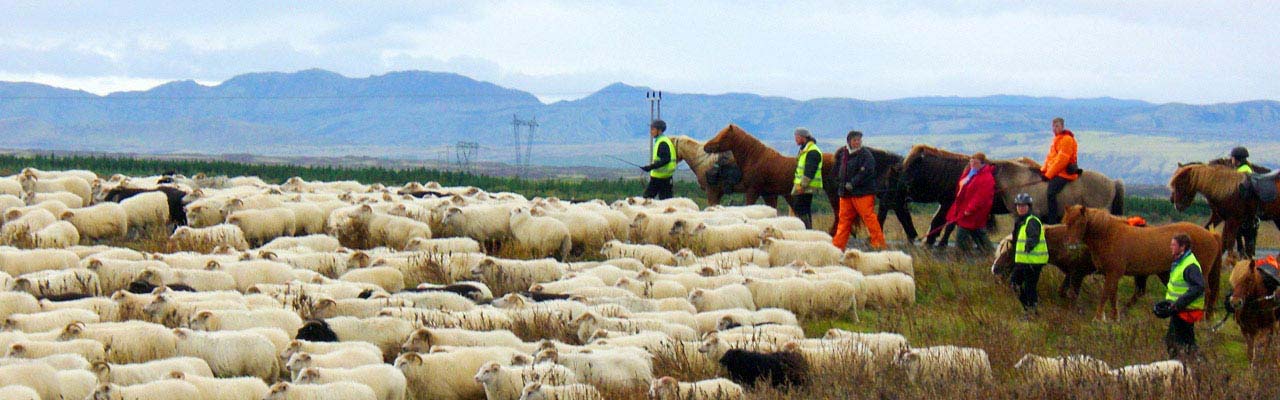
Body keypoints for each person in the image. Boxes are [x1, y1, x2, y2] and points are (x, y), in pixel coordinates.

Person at [832, 130, 886, 250]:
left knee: (869, 218)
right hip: (845, 194)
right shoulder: (844, 154)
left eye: (859, 140)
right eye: (854, 140)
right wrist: (840, 184)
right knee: (844, 221)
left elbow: (868, 171)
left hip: (863, 193)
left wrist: (853, 183)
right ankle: (837, 246)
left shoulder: (866, 155)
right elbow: (839, 171)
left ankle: (878, 244)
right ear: (849, 141)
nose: (857, 142)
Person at [946, 153, 996, 255]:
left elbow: (980, 197)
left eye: (975, 162)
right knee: (979, 234)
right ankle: (990, 254)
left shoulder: (986, 178)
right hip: (965, 211)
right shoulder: (970, 173)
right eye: (971, 161)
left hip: (974, 213)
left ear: (982, 163)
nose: (972, 164)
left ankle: (959, 256)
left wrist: (969, 209)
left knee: (964, 234)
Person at [1165, 233, 1205, 359]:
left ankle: (1199, 369)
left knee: (1183, 345)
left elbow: (1198, 286)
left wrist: (1179, 303)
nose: (1170, 247)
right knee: (1176, 343)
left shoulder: (1189, 265)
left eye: (1173, 245)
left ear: (1182, 247)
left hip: (1185, 311)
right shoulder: (1180, 263)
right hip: (1178, 310)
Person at [1009, 193, 1046, 318]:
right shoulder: (1020, 222)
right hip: (1023, 261)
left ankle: (1031, 312)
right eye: (1019, 206)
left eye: (1024, 206)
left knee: (1030, 287)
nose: (1021, 208)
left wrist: (1029, 245)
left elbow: (1034, 237)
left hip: (1033, 261)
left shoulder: (1032, 221)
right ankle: (1029, 309)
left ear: (1029, 207)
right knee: (1014, 284)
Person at [1040, 117, 1079, 224]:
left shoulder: (1067, 140)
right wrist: (1043, 170)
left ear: (1062, 126)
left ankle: (1053, 220)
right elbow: (1050, 158)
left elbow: (1062, 160)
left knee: (1051, 192)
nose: (1054, 128)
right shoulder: (1057, 139)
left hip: (1065, 173)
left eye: (1057, 126)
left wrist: (1048, 175)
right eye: (1053, 126)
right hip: (1057, 171)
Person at [790, 128, 823, 229]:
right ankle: (807, 230)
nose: (795, 139)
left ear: (803, 137)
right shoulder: (806, 149)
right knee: (804, 209)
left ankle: (806, 230)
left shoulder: (812, 151)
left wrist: (802, 186)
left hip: (806, 187)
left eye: (796, 136)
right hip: (804, 186)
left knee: (800, 209)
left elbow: (809, 171)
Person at [1232, 146, 1259, 257]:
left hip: (1247, 214)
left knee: (1248, 241)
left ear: (1237, 159)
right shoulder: (1246, 169)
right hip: (1249, 213)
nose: (1231, 160)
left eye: (1232, 158)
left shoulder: (1242, 172)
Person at [641, 119, 676, 199]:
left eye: (653, 129)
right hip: (666, 178)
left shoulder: (662, 142)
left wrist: (650, 167)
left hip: (659, 178)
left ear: (659, 131)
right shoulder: (663, 140)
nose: (651, 132)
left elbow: (665, 160)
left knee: (646, 200)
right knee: (666, 202)